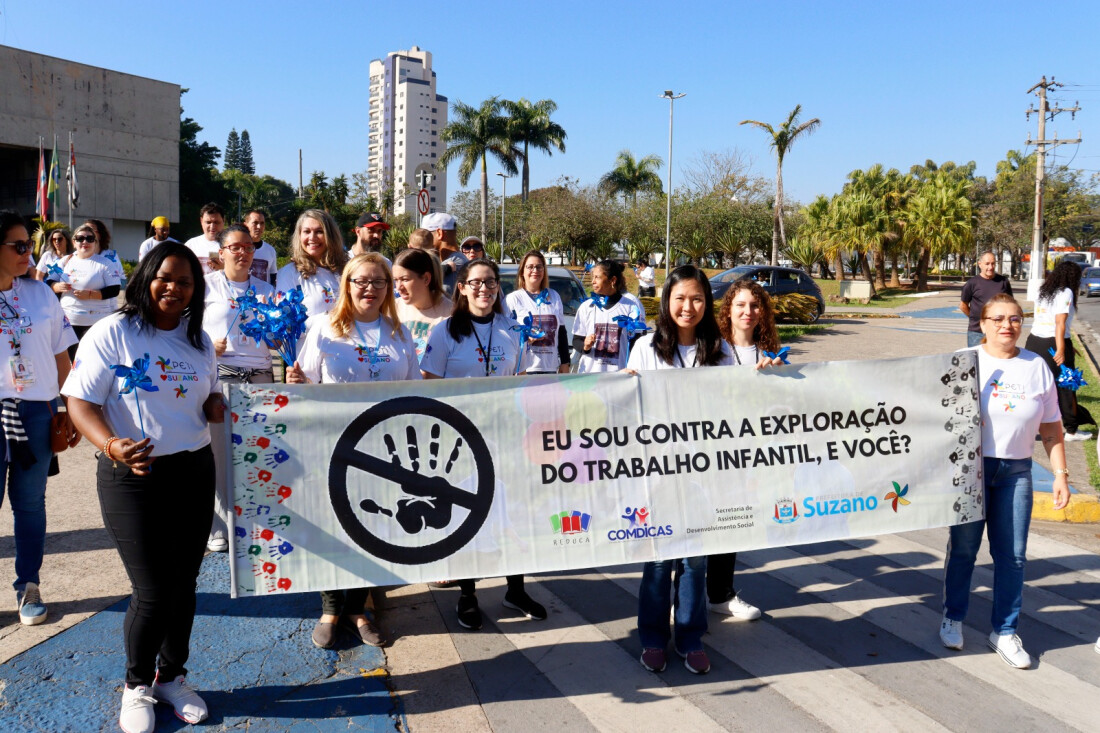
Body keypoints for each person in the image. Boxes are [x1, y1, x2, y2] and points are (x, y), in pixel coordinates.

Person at [63, 242, 223, 731]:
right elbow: (80, 404)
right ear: (146, 277)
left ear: (196, 290)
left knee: (185, 585)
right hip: (132, 476)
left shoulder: (200, 341)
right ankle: (136, 686)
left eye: (186, 281)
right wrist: (112, 446)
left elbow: (210, 390)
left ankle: (171, 676)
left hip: (194, 470)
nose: (174, 288)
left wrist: (215, 403)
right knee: (153, 591)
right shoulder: (114, 332)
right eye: (165, 277)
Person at [287, 253, 418, 649]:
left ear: (388, 288)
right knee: (334, 526)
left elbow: (414, 390)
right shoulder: (325, 328)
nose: (370, 289)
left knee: (374, 526)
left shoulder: (399, 332)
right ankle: (330, 607)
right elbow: (303, 384)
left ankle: (360, 609)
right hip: (332, 447)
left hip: (383, 450)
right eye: (361, 281)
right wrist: (296, 380)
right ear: (347, 284)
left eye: (379, 282)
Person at [940, 293, 1069, 670]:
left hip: (1016, 472)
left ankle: (1006, 631)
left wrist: (1060, 474)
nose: (1006, 326)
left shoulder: (1036, 366)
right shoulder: (964, 362)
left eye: (1014, 319)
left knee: (1011, 557)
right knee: (963, 550)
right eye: (997, 319)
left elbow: (1051, 429)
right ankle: (953, 616)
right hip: (970, 470)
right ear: (981, 324)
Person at [420, 259, 546, 629]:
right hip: (460, 442)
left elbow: (522, 381)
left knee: (512, 512)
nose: (484, 289)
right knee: (466, 515)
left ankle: (515, 588)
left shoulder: (514, 330)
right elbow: (428, 385)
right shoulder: (444, 332)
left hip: (505, 437)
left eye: (490, 282)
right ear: (461, 287)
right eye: (475, 283)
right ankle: (467, 594)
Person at [627, 264, 734, 676]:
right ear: (667, 302)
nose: (687, 307)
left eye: (696, 299)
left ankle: (690, 637)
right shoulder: (644, 349)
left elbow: (737, 403)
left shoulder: (721, 351)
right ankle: (653, 637)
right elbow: (627, 407)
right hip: (655, 473)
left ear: (706, 304)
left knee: (694, 561)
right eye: (679, 299)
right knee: (657, 560)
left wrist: (765, 379)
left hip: (703, 475)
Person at [0, 211, 79, 627]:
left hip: (37, 410)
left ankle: (28, 584)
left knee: (30, 504)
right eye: (17, 246)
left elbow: (61, 354)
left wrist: (68, 407)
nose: (26, 253)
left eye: (27, 245)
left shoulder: (40, 294)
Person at [707, 278, 786, 622]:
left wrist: (782, 379)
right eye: (740, 305)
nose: (748, 312)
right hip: (708, 453)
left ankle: (720, 594)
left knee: (732, 523)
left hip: (747, 457)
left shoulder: (772, 354)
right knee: (699, 524)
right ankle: (685, 596)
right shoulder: (711, 350)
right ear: (728, 309)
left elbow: (784, 408)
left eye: (755, 306)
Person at [201, 224, 275, 553]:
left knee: (257, 453)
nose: (243, 252)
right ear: (221, 253)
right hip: (221, 377)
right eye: (235, 247)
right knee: (218, 455)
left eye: (248, 246)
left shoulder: (265, 289)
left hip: (259, 377)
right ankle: (218, 525)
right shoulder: (205, 287)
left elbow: (277, 335)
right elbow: (185, 331)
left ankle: (251, 522)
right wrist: (206, 345)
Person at [1025, 261, 1092, 441]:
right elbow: (1059, 323)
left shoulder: (1044, 291)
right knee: (1066, 385)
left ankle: (1028, 427)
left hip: (1034, 342)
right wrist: (1061, 349)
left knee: (1037, 386)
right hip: (1054, 343)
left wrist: (1069, 347)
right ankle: (1071, 430)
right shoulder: (1066, 292)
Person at [46, 223, 121, 360]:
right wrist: (56, 286)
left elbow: (115, 289)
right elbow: (48, 281)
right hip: (69, 321)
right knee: (72, 361)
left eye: (89, 239)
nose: (84, 242)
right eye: (80, 238)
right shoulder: (66, 261)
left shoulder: (105, 263)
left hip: (96, 321)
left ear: (95, 242)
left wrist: (92, 295)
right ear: (74, 242)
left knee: (92, 360)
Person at [572, 260, 644, 373]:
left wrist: (632, 366)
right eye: (593, 277)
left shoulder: (631, 307)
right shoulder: (586, 307)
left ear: (613, 280)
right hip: (589, 377)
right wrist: (585, 346)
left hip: (619, 377)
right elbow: (576, 341)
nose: (593, 281)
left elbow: (638, 343)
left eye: (597, 277)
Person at [504, 250, 570, 374]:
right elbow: (505, 336)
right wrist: (524, 338)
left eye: (539, 267)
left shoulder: (554, 296)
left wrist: (565, 363)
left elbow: (561, 332)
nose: (535, 270)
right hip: (524, 369)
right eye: (530, 267)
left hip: (550, 368)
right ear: (522, 271)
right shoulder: (512, 299)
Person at [275, 209, 348, 320]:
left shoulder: (346, 270)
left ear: (331, 236)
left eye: (319, 231)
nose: (312, 237)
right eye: (307, 231)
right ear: (299, 236)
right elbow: (284, 321)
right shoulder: (289, 273)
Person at [392, 247, 451, 361]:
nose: (399, 287)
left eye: (405, 279)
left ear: (426, 279)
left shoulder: (451, 313)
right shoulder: (392, 309)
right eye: (396, 280)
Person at [960, 251, 1013, 347]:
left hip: (998, 331)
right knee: (977, 360)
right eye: (987, 264)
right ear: (980, 264)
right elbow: (963, 306)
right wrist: (976, 318)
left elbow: (1010, 304)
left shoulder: (1003, 281)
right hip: (977, 332)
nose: (990, 267)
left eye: (993, 264)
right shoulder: (972, 283)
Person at [421, 212, 466, 292]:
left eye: (426, 235)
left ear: (439, 233)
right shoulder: (457, 260)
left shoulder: (454, 264)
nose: (422, 240)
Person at [183, 203, 226, 275]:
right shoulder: (191, 245)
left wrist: (223, 268)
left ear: (223, 221)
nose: (212, 226)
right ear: (201, 221)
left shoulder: (231, 246)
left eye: (216, 222)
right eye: (208, 222)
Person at [243, 209, 279, 286]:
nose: (259, 227)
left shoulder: (270, 250)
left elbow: (273, 276)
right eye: (255, 223)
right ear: (246, 225)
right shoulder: (239, 249)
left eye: (262, 223)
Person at [83, 218, 126, 284]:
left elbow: (121, 281)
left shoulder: (110, 256)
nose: (87, 233)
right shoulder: (74, 257)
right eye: (84, 230)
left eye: (91, 230)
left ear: (100, 235)